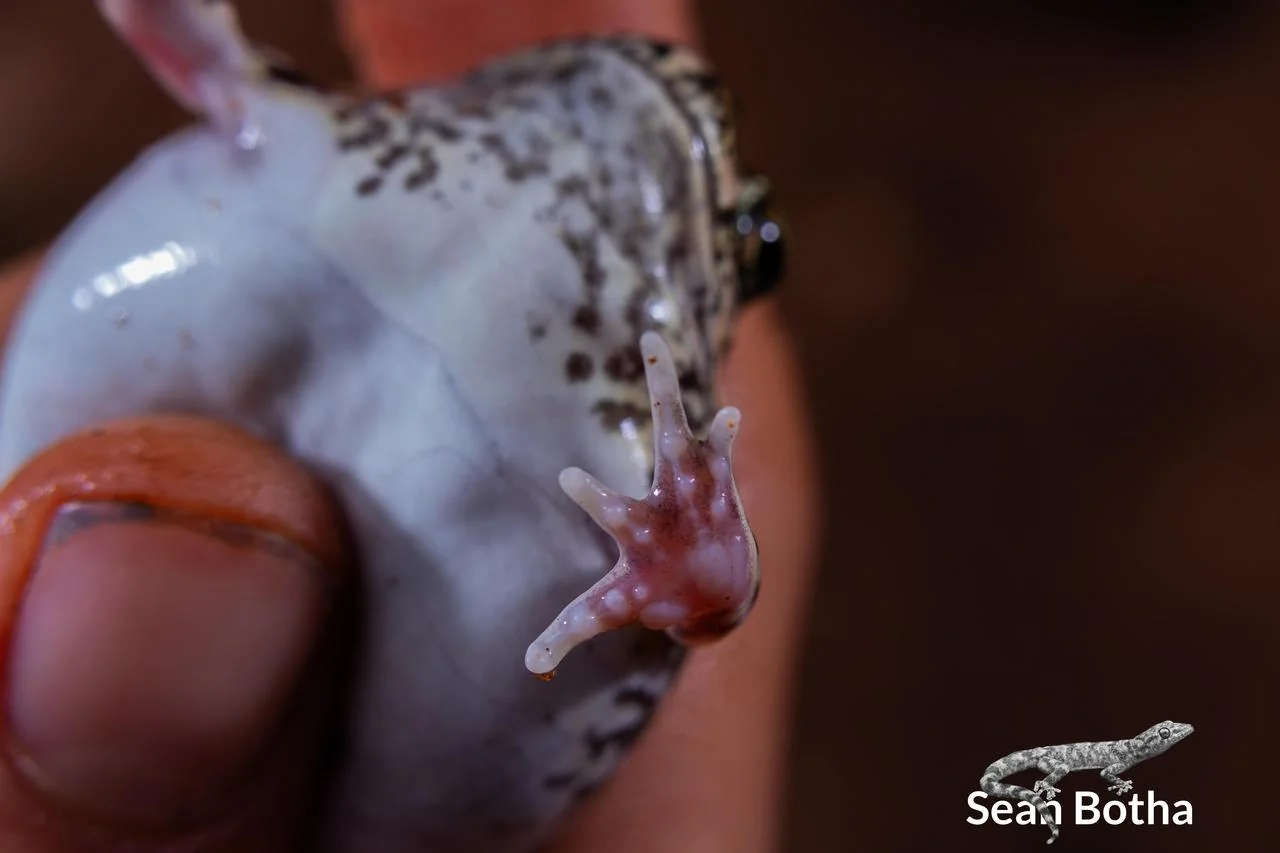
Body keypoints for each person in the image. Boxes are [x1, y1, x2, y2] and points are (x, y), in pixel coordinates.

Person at [0, 1, 818, 850]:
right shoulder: (307, 141)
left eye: (752, 237)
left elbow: (707, 596)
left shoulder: (646, 438)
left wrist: (705, 575)